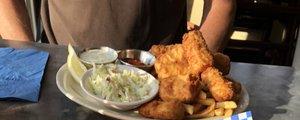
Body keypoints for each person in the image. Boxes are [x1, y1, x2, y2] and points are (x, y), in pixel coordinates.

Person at [0, 0, 236, 53]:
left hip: (161, 82)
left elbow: (223, 4)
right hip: (66, 73)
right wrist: (27, 58)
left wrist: (191, 74)